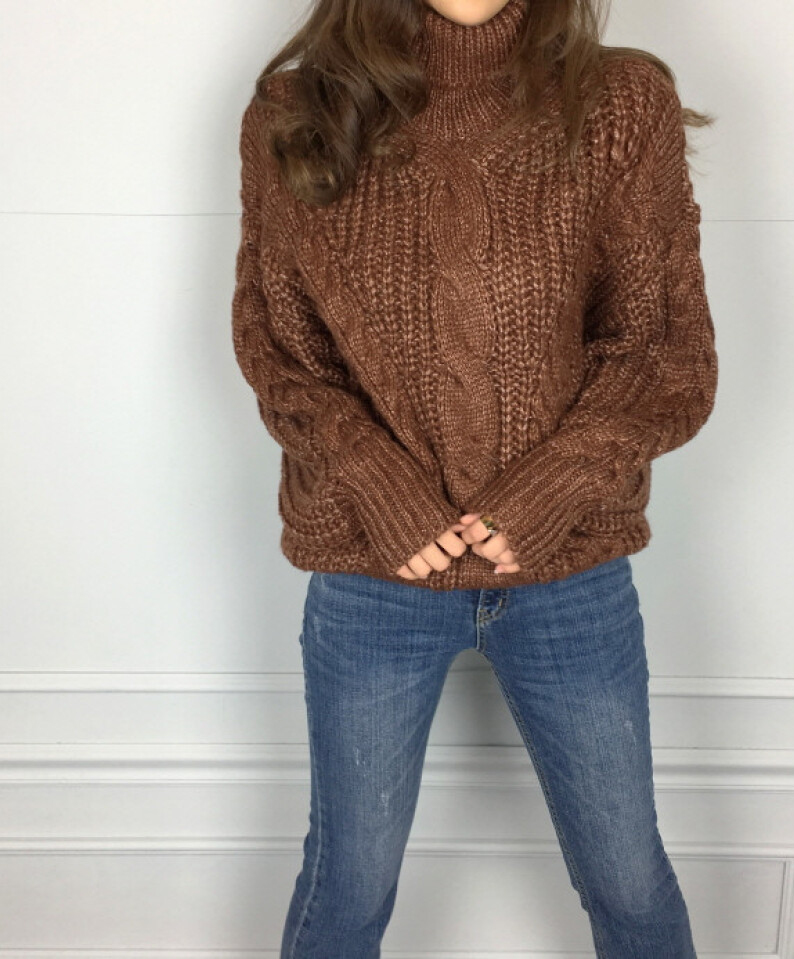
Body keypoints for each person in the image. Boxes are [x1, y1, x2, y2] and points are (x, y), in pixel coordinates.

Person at [231, 0, 718, 955]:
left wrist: (550, 489)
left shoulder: (619, 104)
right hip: (372, 575)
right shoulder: (296, 112)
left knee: (629, 880)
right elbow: (278, 346)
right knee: (349, 883)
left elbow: (663, 348)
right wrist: (382, 485)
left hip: (569, 574)